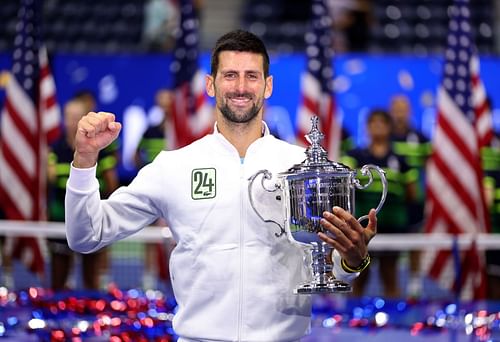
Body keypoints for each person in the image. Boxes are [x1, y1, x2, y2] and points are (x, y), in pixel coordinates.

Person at [65, 29, 377, 341]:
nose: (241, 87)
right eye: (230, 75)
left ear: (267, 86)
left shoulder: (302, 167)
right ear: (210, 85)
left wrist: (352, 260)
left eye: (252, 76)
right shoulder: (174, 166)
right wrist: (85, 158)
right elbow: (85, 235)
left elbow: (327, 265)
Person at [342, 109, 418, 299]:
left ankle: (394, 322)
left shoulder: (400, 160)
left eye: (381, 123)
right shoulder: (354, 156)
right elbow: (343, 186)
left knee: (390, 274)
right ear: (367, 127)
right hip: (360, 227)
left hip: (392, 227)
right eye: (373, 123)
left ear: (389, 127)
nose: (377, 127)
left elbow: (412, 193)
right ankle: (353, 323)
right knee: (359, 274)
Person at [47, 98, 119, 291]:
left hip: (91, 221)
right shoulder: (56, 148)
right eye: (67, 117)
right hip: (59, 221)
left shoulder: (102, 150)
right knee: (58, 281)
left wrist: (108, 212)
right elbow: (49, 179)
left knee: (91, 282)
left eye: (75, 117)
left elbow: (111, 182)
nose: (70, 122)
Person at [388, 94, 430, 297]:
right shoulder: (384, 139)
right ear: (391, 111)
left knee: (414, 240)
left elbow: (432, 167)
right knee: (389, 251)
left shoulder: (421, 139)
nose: (399, 113)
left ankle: (415, 282)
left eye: (403, 109)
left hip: (414, 200)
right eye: (396, 109)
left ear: (410, 111)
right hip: (392, 202)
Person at [135, 88, 175, 289]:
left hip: (176, 194)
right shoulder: (150, 131)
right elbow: (135, 154)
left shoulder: (180, 133)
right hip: (153, 194)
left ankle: (174, 278)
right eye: (163, 103)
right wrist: (147, 173)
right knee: (150, 236)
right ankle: (149, 277)